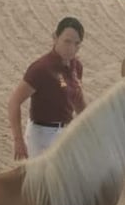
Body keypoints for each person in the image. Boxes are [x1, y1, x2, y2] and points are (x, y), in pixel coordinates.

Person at [8, 16, 87, 160]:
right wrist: (18, 140)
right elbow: (14, 102)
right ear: (55, 38)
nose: (71, 48)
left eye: (76, 44)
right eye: (67, 41)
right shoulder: (41, 69)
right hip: (41, 136)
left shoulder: (77, 67)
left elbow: (78, 101)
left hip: (66, 134)